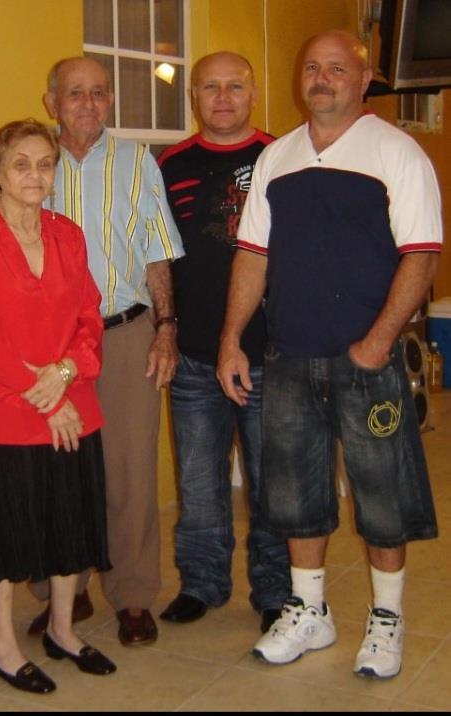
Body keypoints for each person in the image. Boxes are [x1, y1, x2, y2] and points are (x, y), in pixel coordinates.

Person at [217, 30, 441, 679]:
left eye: (337, 68)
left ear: (363, 79)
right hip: (288, 357)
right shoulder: (277, 157)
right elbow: (252, 255)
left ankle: (387, 618)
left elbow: (421, 254)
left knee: (383, 497)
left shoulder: (396, 152)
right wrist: (232, 338)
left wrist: (377, 342)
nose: (321, 78)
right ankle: (309, 610)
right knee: (294, 493)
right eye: (312, 67)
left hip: (368, 363)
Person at [0, 119, 116, 695]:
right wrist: (47, 398)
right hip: (4, 412)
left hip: (74, 401)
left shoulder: (68, 235)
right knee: (8, 532)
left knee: (70, 522)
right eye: (21, 164)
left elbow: (89, 316)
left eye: (44, 164)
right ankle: (2, 643)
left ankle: (63, 630)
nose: (34, 175)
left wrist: (65, 374)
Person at [26, 56, 185, 646]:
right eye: (75, 93)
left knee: (130, 472)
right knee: (54, 472)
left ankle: (133, 594)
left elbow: (157, 250)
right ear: (52, 102)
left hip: (123, 333)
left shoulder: (137, 162)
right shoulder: (30, 162)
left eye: (98, 92)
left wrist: (165, 328)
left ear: (110, 100)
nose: (88, 104)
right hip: (49, 345)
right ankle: (63, 592)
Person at [157, 52, 290, 632]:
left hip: (271, 355)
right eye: (210, 87)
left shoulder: (283, 156)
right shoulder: (172, 164)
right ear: (194, 96)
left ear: (253, 93)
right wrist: (165, 327)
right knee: (198, 483)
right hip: (194, 357)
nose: (223, 97)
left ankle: (275, 591)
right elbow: (160, 253)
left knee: (271, 484)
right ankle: (202, 583)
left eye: (235, 86)